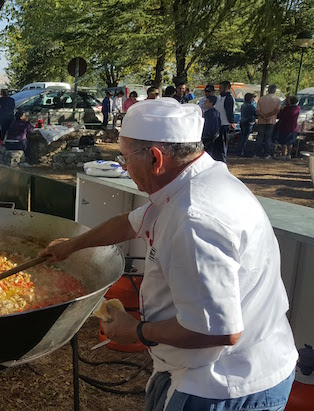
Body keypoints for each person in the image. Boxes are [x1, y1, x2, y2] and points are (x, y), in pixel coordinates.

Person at [40, 98, 297, 411]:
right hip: (239, 369)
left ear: (155, 159)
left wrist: (135, 330)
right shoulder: (193, 181)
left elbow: (219, 330)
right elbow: (130, 223)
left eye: (125, 157)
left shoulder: (194, 218)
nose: (124, 167)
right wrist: (71, 245)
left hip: (221, 387)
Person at [256, 84, 282, 159]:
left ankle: (257, 153)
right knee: (268, 137)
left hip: (261, 120)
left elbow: (257, 110)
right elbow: (277, 110)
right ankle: (266, 153)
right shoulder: (277, 100)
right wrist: (268, 115)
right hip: (271, 121)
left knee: (260, 137)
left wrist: (263, 116)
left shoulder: (261, 99)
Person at [213, 80, 236, 162]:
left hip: (224, 124)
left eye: (221, 88)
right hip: (218, 124)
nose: (219, 90)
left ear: (227, 88)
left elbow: (229, 111)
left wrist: (231, 122)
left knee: (222, 146)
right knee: (217, 146)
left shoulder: (228, 98)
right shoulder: (220, 98)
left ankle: (222, 161)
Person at [277, 95, 300, 160]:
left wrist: (281, 110)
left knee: (283, 142)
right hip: (293, 128)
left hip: (285, 127)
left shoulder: (287, 110)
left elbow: (280, 116)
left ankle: (283, 154)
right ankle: (288, 155)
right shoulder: (297, 108)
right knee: (290, 142)